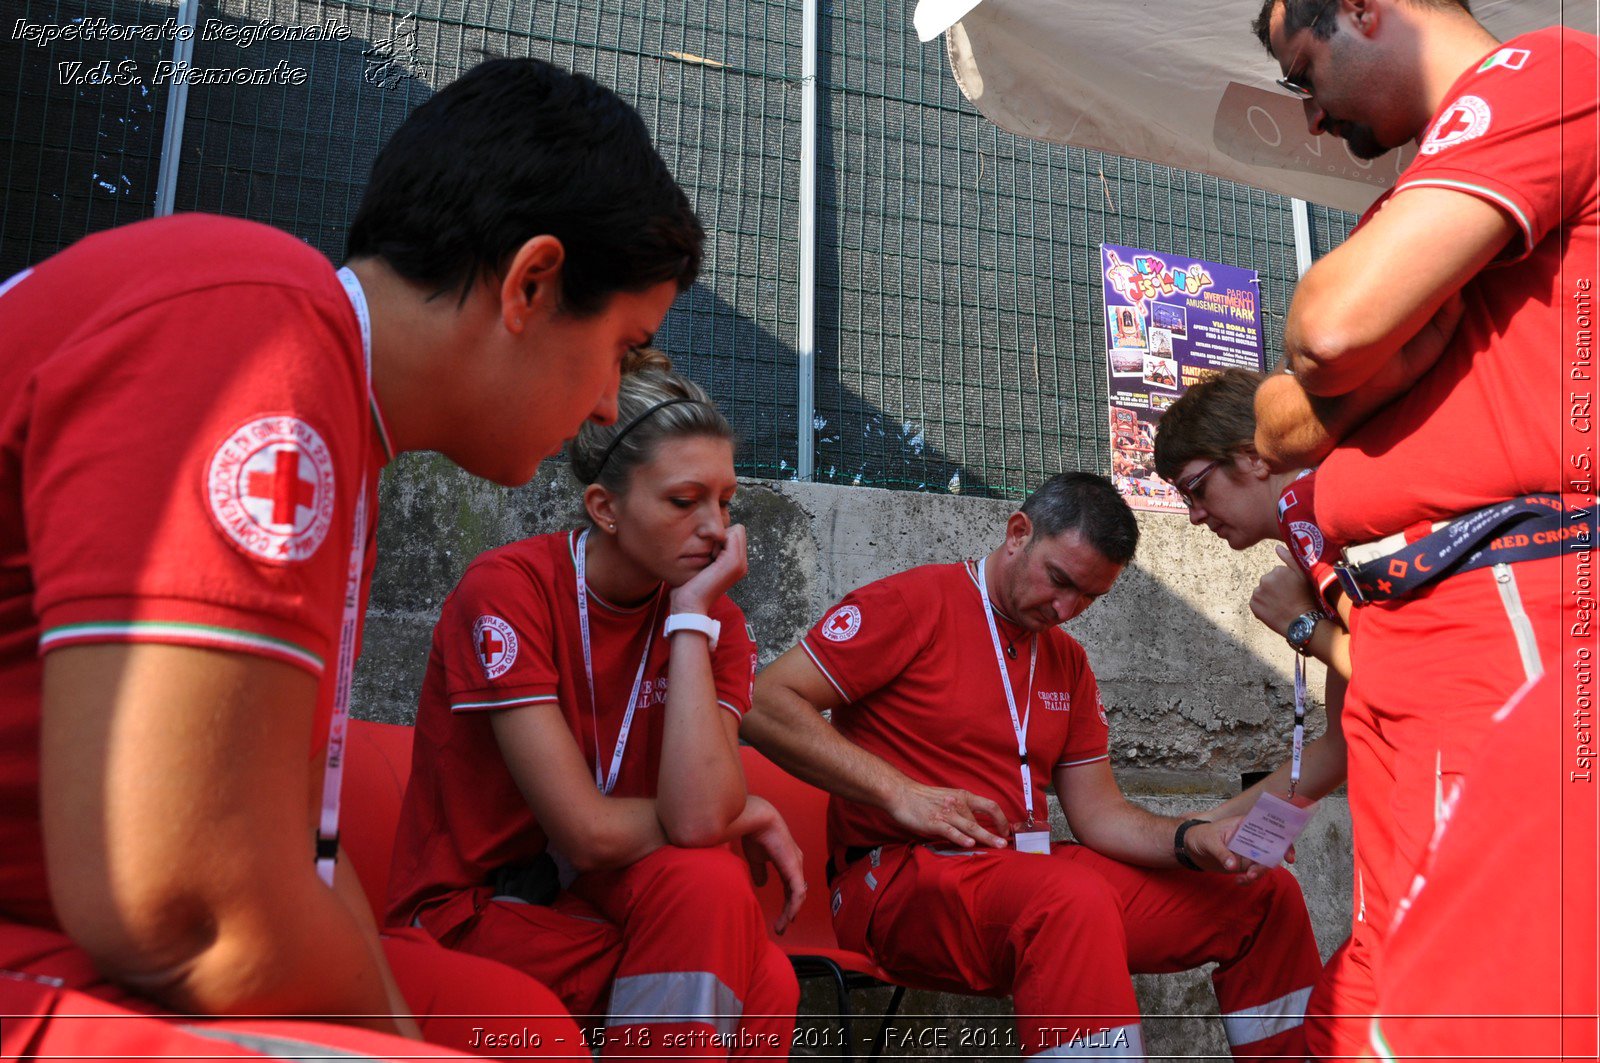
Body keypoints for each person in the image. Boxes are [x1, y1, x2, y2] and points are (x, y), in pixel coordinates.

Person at [0, 57, 703, 1059]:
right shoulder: (257, 330)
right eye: (622, 351)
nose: (604, 406)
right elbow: (188, 910)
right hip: (45, 949)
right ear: (531, 283)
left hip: (60, 927)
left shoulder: (327, 399)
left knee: (525, 1030)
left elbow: (292, 850)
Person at [1248, 0, 1597, 1055]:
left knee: (1475, 1014)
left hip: (1507, 591)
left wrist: (1349, 357)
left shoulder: (1540, 73)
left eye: (1303, 74)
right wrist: (1362, 359)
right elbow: (1276, 419)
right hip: (1422, 625)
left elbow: (1329, 328)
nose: (1310, 118)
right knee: (1382, 1005)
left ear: (1364, 7)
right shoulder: (1421, 196)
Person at [742, 472, 1323, 1060]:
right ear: (1018, 533)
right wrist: (902, 794)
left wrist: (1193, 838)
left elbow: (1100, 816)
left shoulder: (1067, 660)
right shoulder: (913, 603)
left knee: (1261, 895)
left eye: (1089, 598)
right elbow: (764, 702)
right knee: (1067, 898)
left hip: (1028, 879)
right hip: (898, 882)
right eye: (1060, 581)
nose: (1067, 609)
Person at [387, 350, 803, 1060]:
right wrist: (749, 809)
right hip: (480, 912)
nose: (717, 529)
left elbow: (699, 819)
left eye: (726, 501)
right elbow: (585, 832)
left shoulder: (715, 624)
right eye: (684, 500)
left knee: (736, 926)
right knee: (742, 966)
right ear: (605, 508)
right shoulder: (509, 590)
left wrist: (690, 620)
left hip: (607, 903)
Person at [1153, 368, 1376, 1056]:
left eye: (1197, 488)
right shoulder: (1311, 528)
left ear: (1253, 456)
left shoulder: (1336, 507)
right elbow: (1337, 745)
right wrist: (1192, 835)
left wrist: (1303, 630)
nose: (1194, 515)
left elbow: (1419, 676)